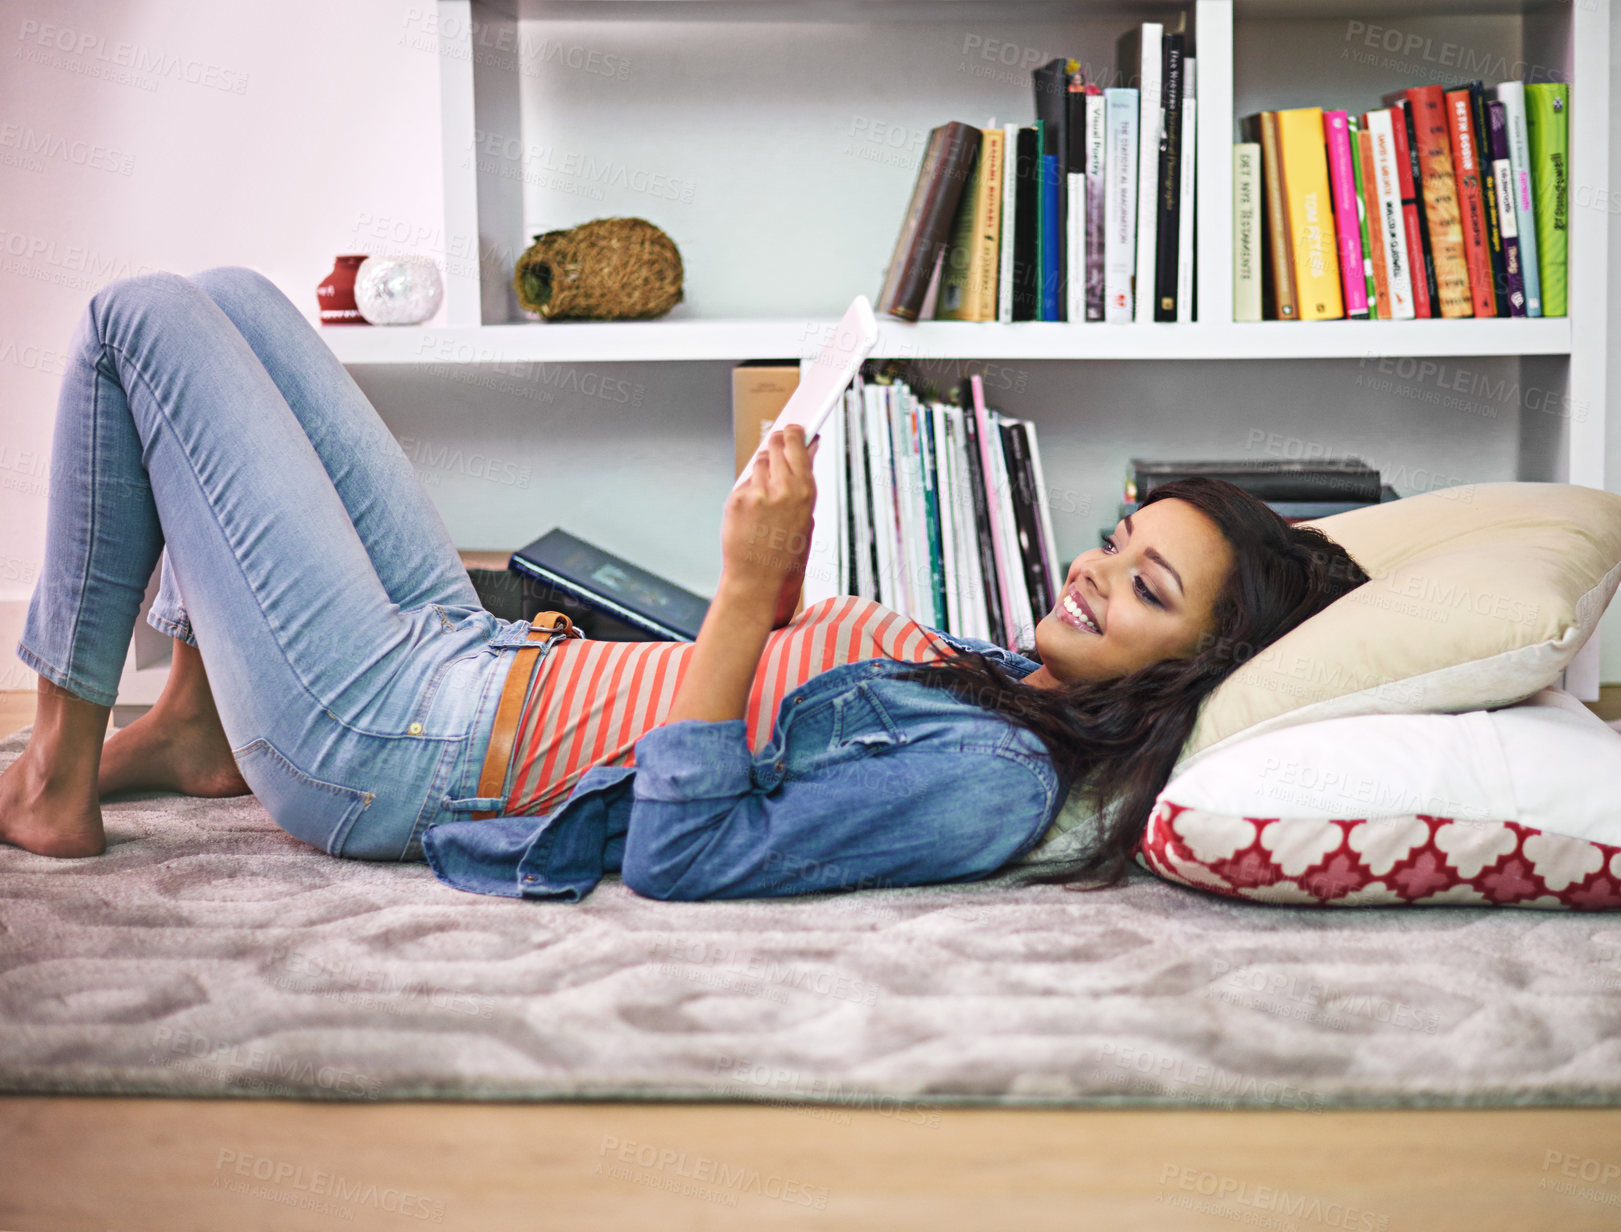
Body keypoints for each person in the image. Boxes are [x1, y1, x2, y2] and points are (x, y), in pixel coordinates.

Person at [0, 268, 1370, 902]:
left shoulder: (997, 779)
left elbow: (682, 849)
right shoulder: (1008, 680)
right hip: (466, 654)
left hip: (402, 740)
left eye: (1142, 591)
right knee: (236, 297)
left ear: (1183, 668)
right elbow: (775, 700)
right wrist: (775, 596)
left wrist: (739, 590)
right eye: (1118, 543)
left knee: (137, 319)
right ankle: (191, 722)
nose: (1089, 575)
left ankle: (55, 775)